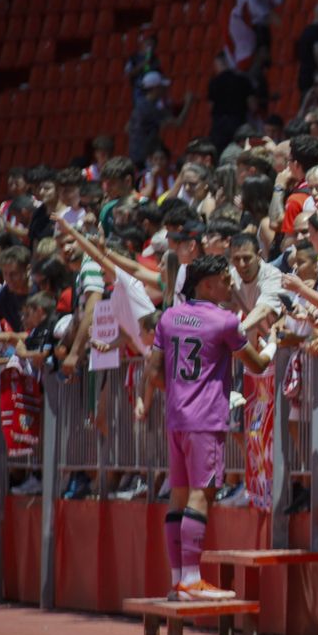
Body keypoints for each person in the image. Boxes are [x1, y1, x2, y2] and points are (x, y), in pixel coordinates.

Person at [136, 256, 273, 600]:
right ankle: (192, 580)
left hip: (176, 417)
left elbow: (153, 372)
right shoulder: (224, 321)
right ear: (207, 284)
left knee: (178, 495)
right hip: (205, 419)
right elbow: (257, 365)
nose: (230, 284)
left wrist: (179, 394)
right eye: (225, 279)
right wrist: (274, 345)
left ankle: (178, 582)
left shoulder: (169, 317)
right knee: (201, 493)